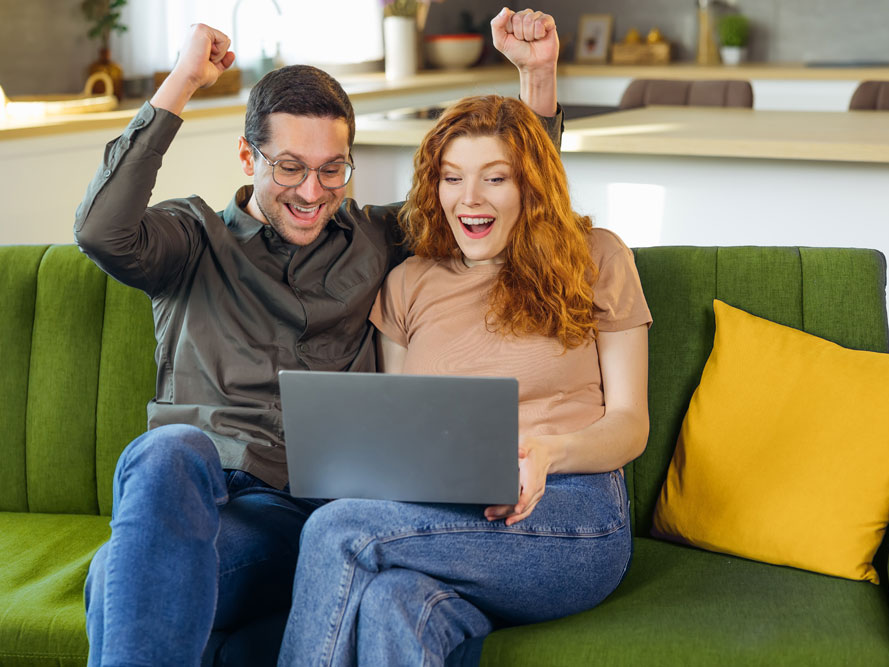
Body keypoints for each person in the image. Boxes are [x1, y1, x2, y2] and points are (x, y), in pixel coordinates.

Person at [75, 8, 563, 667]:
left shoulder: (374, 239)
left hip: (308, 525)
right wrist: (184, 80)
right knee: (167, 451)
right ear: (248, 156)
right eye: (290, 167)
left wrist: (537, 77)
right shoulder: (190, 241)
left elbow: (500, 198)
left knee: (116, 573)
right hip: (197, 503)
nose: (312, 192)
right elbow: (101, 231)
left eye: (332, 169)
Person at [276, 94, 652, 666]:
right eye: (452, 178)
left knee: (336, 530)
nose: (469, 199)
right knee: (391, 603)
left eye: (495, 178)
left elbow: (630, 424)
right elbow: (399, 437)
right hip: (449, 518)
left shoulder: (596, 258)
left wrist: (550, 453)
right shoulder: (408, 283)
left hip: (573, 511)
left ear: (531, 185)